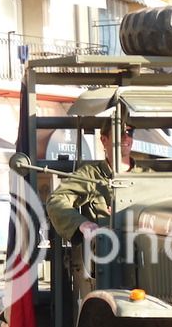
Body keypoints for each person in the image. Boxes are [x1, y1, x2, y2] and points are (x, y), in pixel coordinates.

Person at [46, 119, 133, 301]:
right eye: (120, 133)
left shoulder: (147, 176)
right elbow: (56, 200)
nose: (126, 138)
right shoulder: (91, 176)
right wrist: (82, 224)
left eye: (130, 133)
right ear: (104, 140)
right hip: (105, 265)